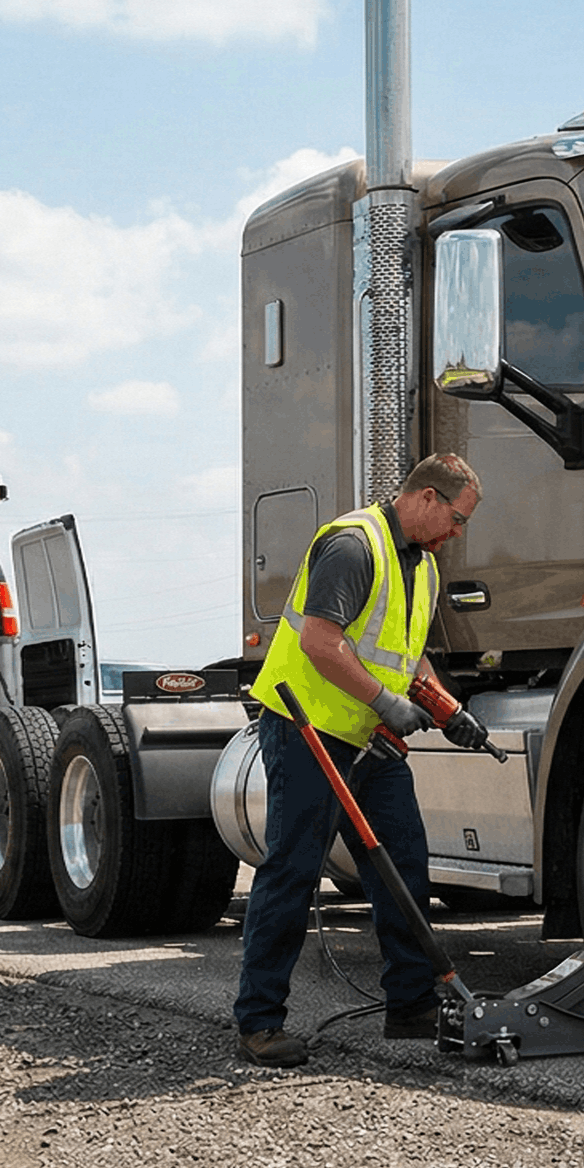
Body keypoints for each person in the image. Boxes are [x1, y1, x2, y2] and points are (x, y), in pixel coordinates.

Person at [234, 453, 490, 1067]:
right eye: (456, 518)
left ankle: (410, 1003)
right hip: (309, 730)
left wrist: (446, 707)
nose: (458, 533)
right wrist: (384, 701)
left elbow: (408, 657)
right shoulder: (355, 546)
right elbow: (320, 642)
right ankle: (259, 1023)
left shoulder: (420, 565)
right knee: (292, 871)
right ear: (427, 498)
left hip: (367, 736)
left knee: (402, 864)